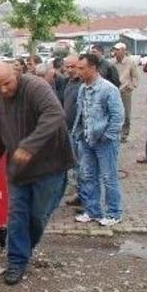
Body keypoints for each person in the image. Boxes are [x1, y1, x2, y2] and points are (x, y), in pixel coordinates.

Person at [0, 62, 74, 285]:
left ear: (16, 73)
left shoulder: (36, 87)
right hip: (19, 171)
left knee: (37, 216)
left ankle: (24, 249)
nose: (3, 90)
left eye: (7, 83)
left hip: (49, 167)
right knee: (16, 216)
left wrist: (28, 146)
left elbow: (55, 114)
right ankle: (17, 261)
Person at [71, 54, 125, 226]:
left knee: (109, 178)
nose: (77, 71)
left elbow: (118, 117)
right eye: (77, 68)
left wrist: (107, 136)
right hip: (86, 140)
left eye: (81, 68)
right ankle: (93, 211)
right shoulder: (83, 88)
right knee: (88, 176)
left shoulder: (108, 89)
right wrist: (79, 134)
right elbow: (82, 113)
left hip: (105, 142)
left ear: (93, 68)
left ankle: (114, 214)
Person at [61, 54, 84, 208]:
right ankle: (79, 195)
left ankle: (84, 198)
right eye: (67, 67)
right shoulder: (67, 82)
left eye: (73, 66)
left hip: (80, 132)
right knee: (74, 165)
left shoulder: (84, 84)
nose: (69, 70)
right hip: (69, 130)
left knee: (82, 166)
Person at [112, 42, 140, 143]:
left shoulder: (130, 62)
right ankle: (115, 133)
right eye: (114, 49)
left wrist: (131, 86)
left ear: (124, 51)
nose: (115, 51)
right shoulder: (111, 62)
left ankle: (124, 134)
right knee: (114, 113)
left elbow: (136, 76)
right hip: (113, 91)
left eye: (118, 49)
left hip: (125, 91)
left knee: (126, 114)